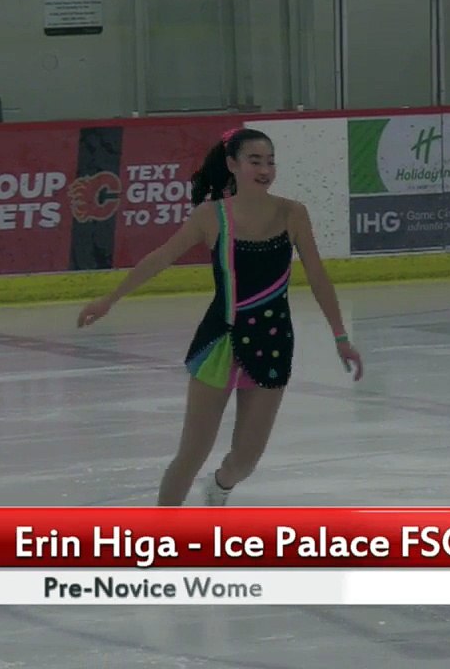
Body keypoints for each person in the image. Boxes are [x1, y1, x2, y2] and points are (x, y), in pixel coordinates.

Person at [76, 127, 363, 506]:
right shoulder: (211, 216)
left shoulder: (293, 213)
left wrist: (340, 336)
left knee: (246, 459)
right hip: (220, 342)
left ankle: (220, 486)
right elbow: (160, 258)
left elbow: (317, 276)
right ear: (232, 165)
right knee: (192, 453)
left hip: (273, 342)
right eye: (254, 161)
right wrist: (109, 299)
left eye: (270, 161)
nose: (265, 169)